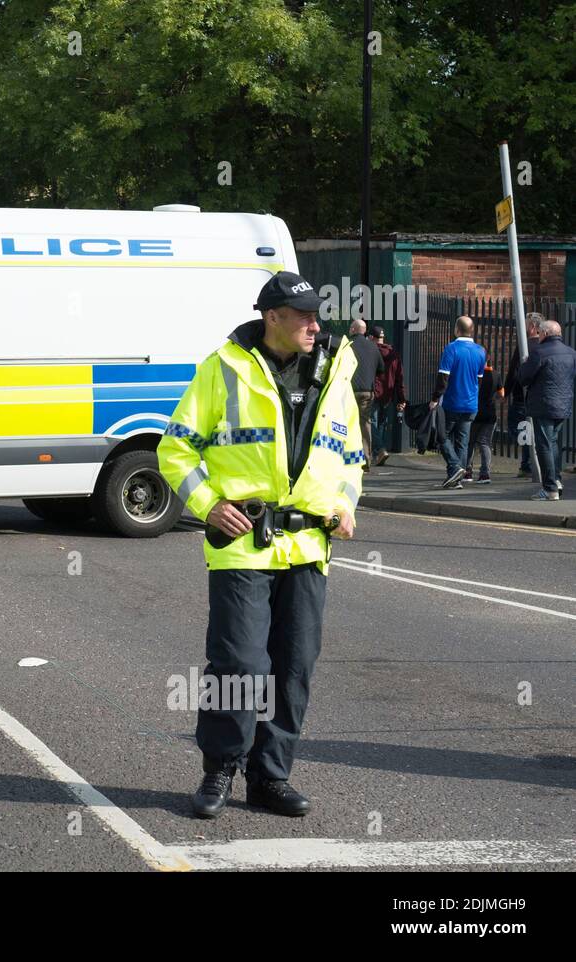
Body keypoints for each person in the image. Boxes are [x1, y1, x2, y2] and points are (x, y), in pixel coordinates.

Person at [158, 270, 361, 820]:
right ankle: (220, 768)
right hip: (244, 541)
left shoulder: (335, 371)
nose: (314, 325)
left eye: (318, 316)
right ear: (272, 317)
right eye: (303, 316)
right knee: (240, 665)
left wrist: (345, 505)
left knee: (293, 668)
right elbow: (175, 450)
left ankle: (271, 777)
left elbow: (351, 458)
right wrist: (206, 505)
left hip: (309, 545)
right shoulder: (222, 368)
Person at [517, 319, 576, 502]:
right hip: (563, 405)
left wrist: (525, 364)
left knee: (544, 446)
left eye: (541, 334)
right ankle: (557, 481)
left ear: (544, 334)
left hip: (543, 405)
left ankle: (549, 488)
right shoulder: (571, 353)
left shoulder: (539, 353)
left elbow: (523, 378)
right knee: (553, 443)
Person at [432, 315, 486, 488]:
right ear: (472, 330)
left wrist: (434, 399)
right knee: (462, 442)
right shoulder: (480, 351)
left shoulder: (451, 348)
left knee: (442, 436)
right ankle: (457, 478)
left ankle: (455, 467)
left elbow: (443, 378)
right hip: (471, 404)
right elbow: (479, 380)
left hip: (452, 402)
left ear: (456, 330)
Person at [504, 313, 544, 478]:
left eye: (525, 324)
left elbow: (514, 371)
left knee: (518, 428)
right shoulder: (544, 346)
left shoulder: (524, 346)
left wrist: (505, 391)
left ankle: (527, 464)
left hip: (521, 397)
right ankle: (527, 464)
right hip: (538, 396)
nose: (522, 328)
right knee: (531, 430)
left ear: (533, 327)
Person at [346, 318, 384, 472]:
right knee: (365, 424)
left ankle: (348, 459)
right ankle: (365, 461)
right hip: (367, 392)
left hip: (348, 391)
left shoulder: (346, 345)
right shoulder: (373, 347)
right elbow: (381, 369)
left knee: (347, 424)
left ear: (354, 330)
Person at [369, 326, 406, 465]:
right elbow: (399, 378)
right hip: (387, 394)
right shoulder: (393, 353)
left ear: (371, 337)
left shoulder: (371, 351)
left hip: (373, 391)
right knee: (382, 424)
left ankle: (379, 450)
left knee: (370, 422)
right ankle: (378, 454)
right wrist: (402, 398)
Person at [463, 361, 502, 484]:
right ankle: (485, 474)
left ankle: (467, 472)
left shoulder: (475, 374)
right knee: (485, 443)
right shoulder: (496, 374)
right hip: (490, 414)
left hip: (474, 413)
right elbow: (502, 393)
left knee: (470, 443)